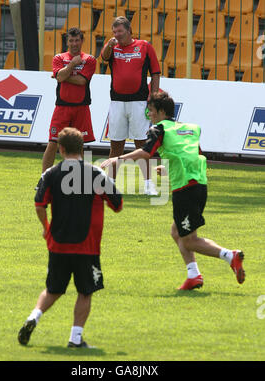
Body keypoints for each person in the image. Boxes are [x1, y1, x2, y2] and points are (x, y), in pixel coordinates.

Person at [101, 92, 245, 290]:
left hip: (185, 188)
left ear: (160, 111)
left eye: (150, 111)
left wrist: (117, 159)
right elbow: (194, 155)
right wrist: (168, 168)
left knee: (189, 240)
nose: (148, 114)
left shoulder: (158, 129)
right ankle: (193, 275)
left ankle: (230, 256)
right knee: (176, 231)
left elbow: (145, 152)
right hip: (199, 184)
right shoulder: (189, 129)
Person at [18, 128, 123, 347]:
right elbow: (118, 204)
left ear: (61, 149)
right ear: (82, 148)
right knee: (86, 291)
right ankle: (75, 339)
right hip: (87, 246)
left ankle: (33, 316)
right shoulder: (95, 174)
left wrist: (46, 227)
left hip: (58, 243)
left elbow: (39, 205)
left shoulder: (50, 174)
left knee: (53, 289)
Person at [101, 16, 161, 195]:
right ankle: (110, 184)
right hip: (117, 101)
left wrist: (154, 97)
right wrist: (110, 44)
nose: (117, 35)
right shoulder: (112, 47)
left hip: (139, 102)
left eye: (120, 31)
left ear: (129, 31)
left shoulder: (145, 46)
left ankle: (148, 184)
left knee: (142, 144)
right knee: (116, 145)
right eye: (114, 32)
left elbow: (155, 72)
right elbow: (103, 58)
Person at [42, 27, 96, 173]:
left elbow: (81, 81)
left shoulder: (89, 60)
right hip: (62, 108)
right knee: (53, 143)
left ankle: (80, 180)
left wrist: (63, 76)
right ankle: (43, 180)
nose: (74, 44)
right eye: (71, 41)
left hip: (81, 108)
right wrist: (72, 64)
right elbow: (60, 77)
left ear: (82, 41)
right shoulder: (59, 58)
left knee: (80, 145)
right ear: (67, 42)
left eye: (77, 40)